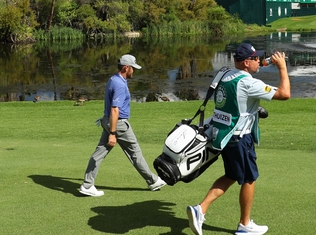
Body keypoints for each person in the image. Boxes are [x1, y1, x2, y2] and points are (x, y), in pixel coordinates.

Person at [187, 43, 290, 235]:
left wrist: (259, 68)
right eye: (255, 58)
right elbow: (285, 94)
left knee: (232, 175)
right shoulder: (248, 83)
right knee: (249, 179)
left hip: (225, 136)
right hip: (240, 138)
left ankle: (200, 209)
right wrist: (282, 67)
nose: (259, 60)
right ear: (245, 62)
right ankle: (244, 225)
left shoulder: (225, 74)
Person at [79, 54, 166, 197]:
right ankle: (152, 181)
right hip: (117, 124)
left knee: (99, 153)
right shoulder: (119, 84)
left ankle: (87, 185)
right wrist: (113, 133)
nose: (134, 71)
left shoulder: (114, 79)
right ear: (126, 67)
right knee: (135, 153)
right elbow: (115, 109)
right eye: (133, 68)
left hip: (108, 121)